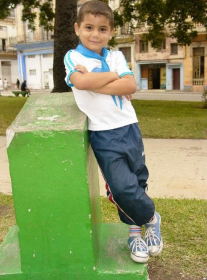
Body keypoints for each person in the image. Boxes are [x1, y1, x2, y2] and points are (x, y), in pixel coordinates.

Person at [64, 0, 163, 264]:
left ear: (110, 32)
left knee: (138, 179)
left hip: (129, 126)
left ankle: (134, 233)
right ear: (77, 28)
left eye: (102, 29)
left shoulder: (116, 56)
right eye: (88, 27)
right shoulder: (73, 57)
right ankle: (152, 218)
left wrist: (98, 80)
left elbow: (130, 84)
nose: (95, 34)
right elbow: (81, 82)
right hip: (103, 134)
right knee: (121, 187)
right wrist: (113, 78)